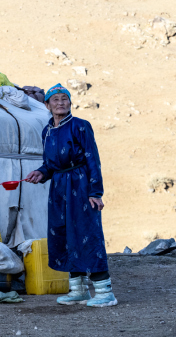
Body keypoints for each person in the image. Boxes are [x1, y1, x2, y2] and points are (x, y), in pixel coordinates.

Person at [24, 83, 117, 307]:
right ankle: (78, 290)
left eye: (64, 99)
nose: (60, 103)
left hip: (80, 185)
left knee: (87, 233)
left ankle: (105, 292)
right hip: (58, 189)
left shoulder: (81, 126)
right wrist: (41, 173)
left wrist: (95, 192)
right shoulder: (47, 131)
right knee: (64, 235)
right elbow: (50, 164)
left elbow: (92, 159)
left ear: (70, 102)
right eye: (55, 100)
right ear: (47, 105)